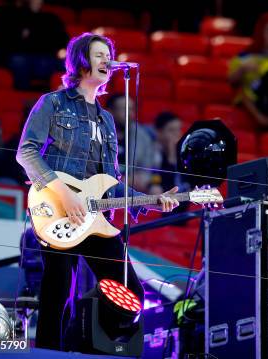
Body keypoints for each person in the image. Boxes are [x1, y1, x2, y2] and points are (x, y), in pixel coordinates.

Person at [16, 33, 179, 350]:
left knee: (130, 291)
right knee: (58, 288)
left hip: (95, 217)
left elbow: (110, 180)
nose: (108, 61)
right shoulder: (53, 103)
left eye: (109, 55)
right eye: (100, 54)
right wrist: (64, 193)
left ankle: (85, 345)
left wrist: (152, 201)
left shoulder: (106, 120)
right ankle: (49, 354)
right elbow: (26, 152)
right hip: (58, 208)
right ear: (81, 60)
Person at [0, 0, 68, 90]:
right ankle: (22, 96)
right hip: (16, 57)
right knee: (19, 62)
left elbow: (60, 40)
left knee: (67, 64)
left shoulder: (50, 18)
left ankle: (54, 99)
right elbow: (3, 41)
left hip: (43, 59)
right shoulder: (3, 13)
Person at [228, 12, 268, 128]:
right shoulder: (245, 57)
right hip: (250, 107)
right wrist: (242, 70)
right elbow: (232, 82)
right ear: (260, 32)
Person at [106, 94, 155, 192]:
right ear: (110, 112)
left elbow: (147, 168)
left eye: (131, 109)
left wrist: (134, 179)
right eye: (124, 109)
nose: (129, 113)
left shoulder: (142, 136)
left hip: (132, 186)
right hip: (104, 184)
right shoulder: (99, 131)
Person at [147, 111, 184, 195]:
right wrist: (171, 156)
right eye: (171, 130)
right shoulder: (151, 152)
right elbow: (166, 187)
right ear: (159, 132)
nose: (177, 134)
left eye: (178, 129)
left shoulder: (184, 152)